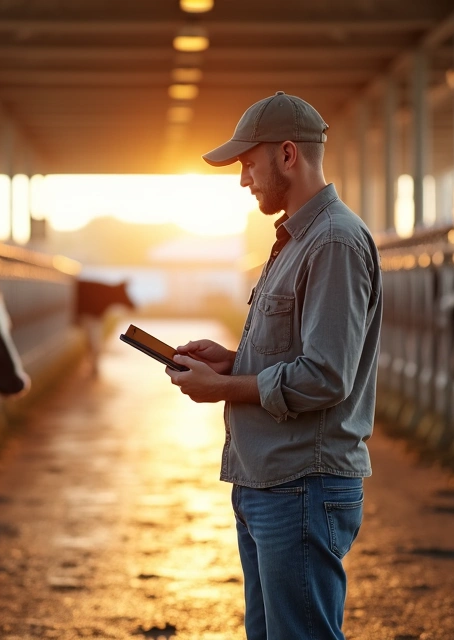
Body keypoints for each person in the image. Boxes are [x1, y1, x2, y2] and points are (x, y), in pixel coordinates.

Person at [166, 91, 382, 640]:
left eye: (248, 164)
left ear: (287, 155)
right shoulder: (295, 239)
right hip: (270, 480)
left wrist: (224, 388)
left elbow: (326, 377)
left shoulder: (333, 242)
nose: (244, 180)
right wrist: (231, 362)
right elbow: (297, 354)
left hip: (301, 483)